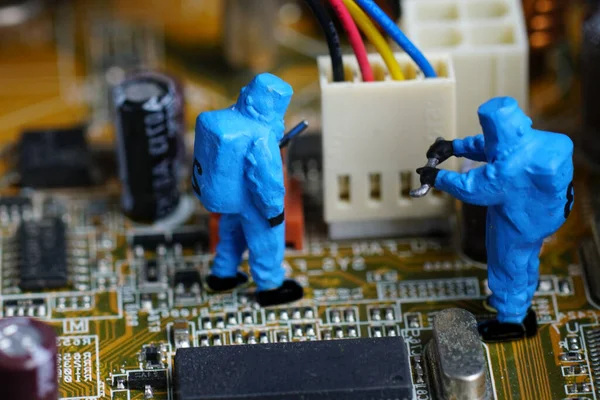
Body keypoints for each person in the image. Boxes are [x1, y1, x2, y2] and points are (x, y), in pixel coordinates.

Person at [417, 96, 574, 342]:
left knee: (507, 267)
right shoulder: (537, 140)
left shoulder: (507, 169)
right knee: (527, 261)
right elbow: (491, 146)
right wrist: (455, 147)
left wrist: (436, 178)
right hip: (543, 218)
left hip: (517, 225)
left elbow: (472, 187)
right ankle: (522, 304)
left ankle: (511, 321)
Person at [192, 73, 304, 307]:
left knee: (231, 234)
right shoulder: (262, 138)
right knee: (267, 242)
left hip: (229, 201)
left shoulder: (223, 118)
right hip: (254, 204)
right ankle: (270, 286)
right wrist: (274, 212)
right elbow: (267, 182)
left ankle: (222, 275)